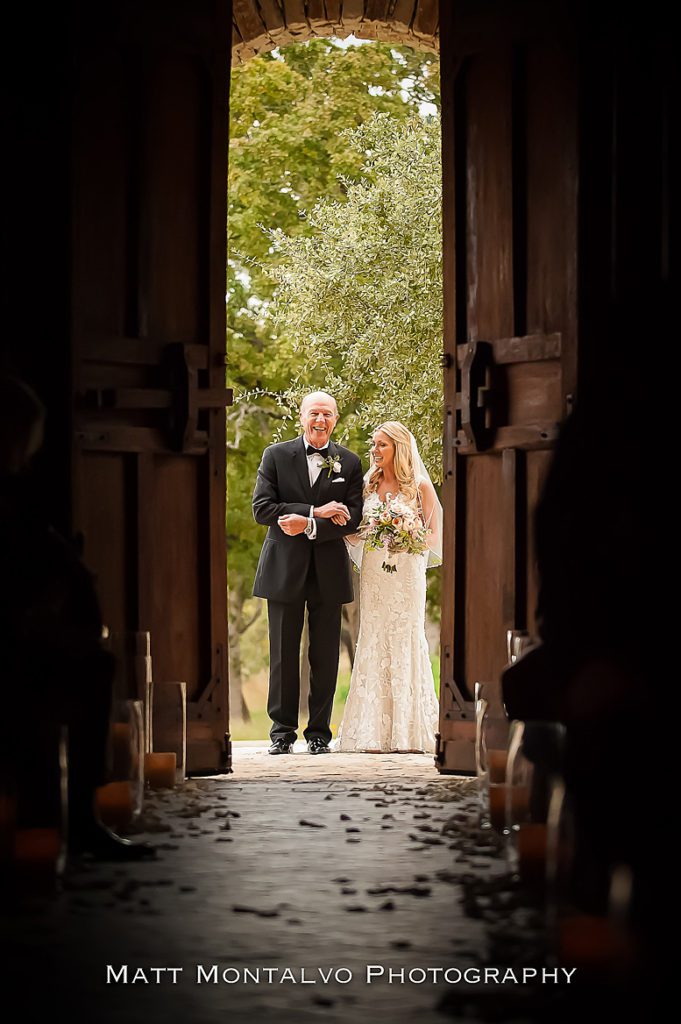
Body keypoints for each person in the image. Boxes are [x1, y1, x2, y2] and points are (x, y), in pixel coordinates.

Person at [0, 373, 154, 860]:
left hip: (29, 630)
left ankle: (78, 817)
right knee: (83, 672)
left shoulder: (18, 492)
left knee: (92, 667)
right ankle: (62, 819)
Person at [252, 391, 364, 754]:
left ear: (336, 419)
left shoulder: (348, 462)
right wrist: (315, 513)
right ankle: (281, 733)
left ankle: (319, 734)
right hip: (284, 568)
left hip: (329, 570)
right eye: (314, 413)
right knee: (283, 654)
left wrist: (309, 524)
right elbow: (262, 509)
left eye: (328, 414)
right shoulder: (275, 456)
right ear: (301, 417)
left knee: (326, 656)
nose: (321, 420)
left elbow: (354, 516)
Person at [336, 422, 442, 753]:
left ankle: (409, 731)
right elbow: (357, 533)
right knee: (375, 634)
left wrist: (405, 532)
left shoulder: (420, 487)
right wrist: (343, 528)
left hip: (407, 573)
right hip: (375, 572)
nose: (375, 450)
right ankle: (371, 731)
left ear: (398, 448)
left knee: (406, 635)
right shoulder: (368, 484)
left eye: (382, 445)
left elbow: (435, 536)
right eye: (374, 444)